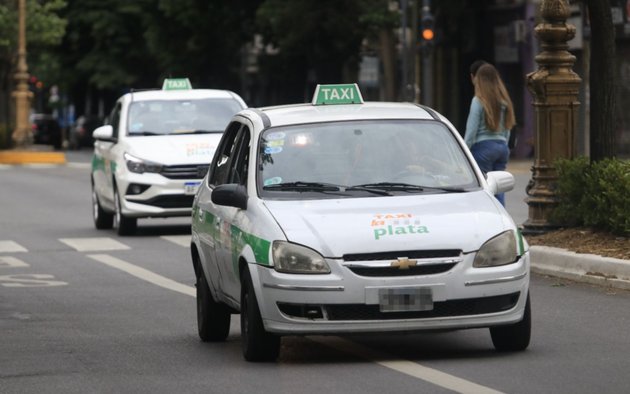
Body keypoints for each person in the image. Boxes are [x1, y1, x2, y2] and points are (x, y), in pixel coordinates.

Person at [464, 62, 515, 206]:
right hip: (501, 148)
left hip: (482, 149)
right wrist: (504, 145)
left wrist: (464, 151)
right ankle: (501, 217)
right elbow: (507, 129)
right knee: (499, 188)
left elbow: (471, 131)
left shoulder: (478, 101)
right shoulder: (504, 102)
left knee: (483, 189)